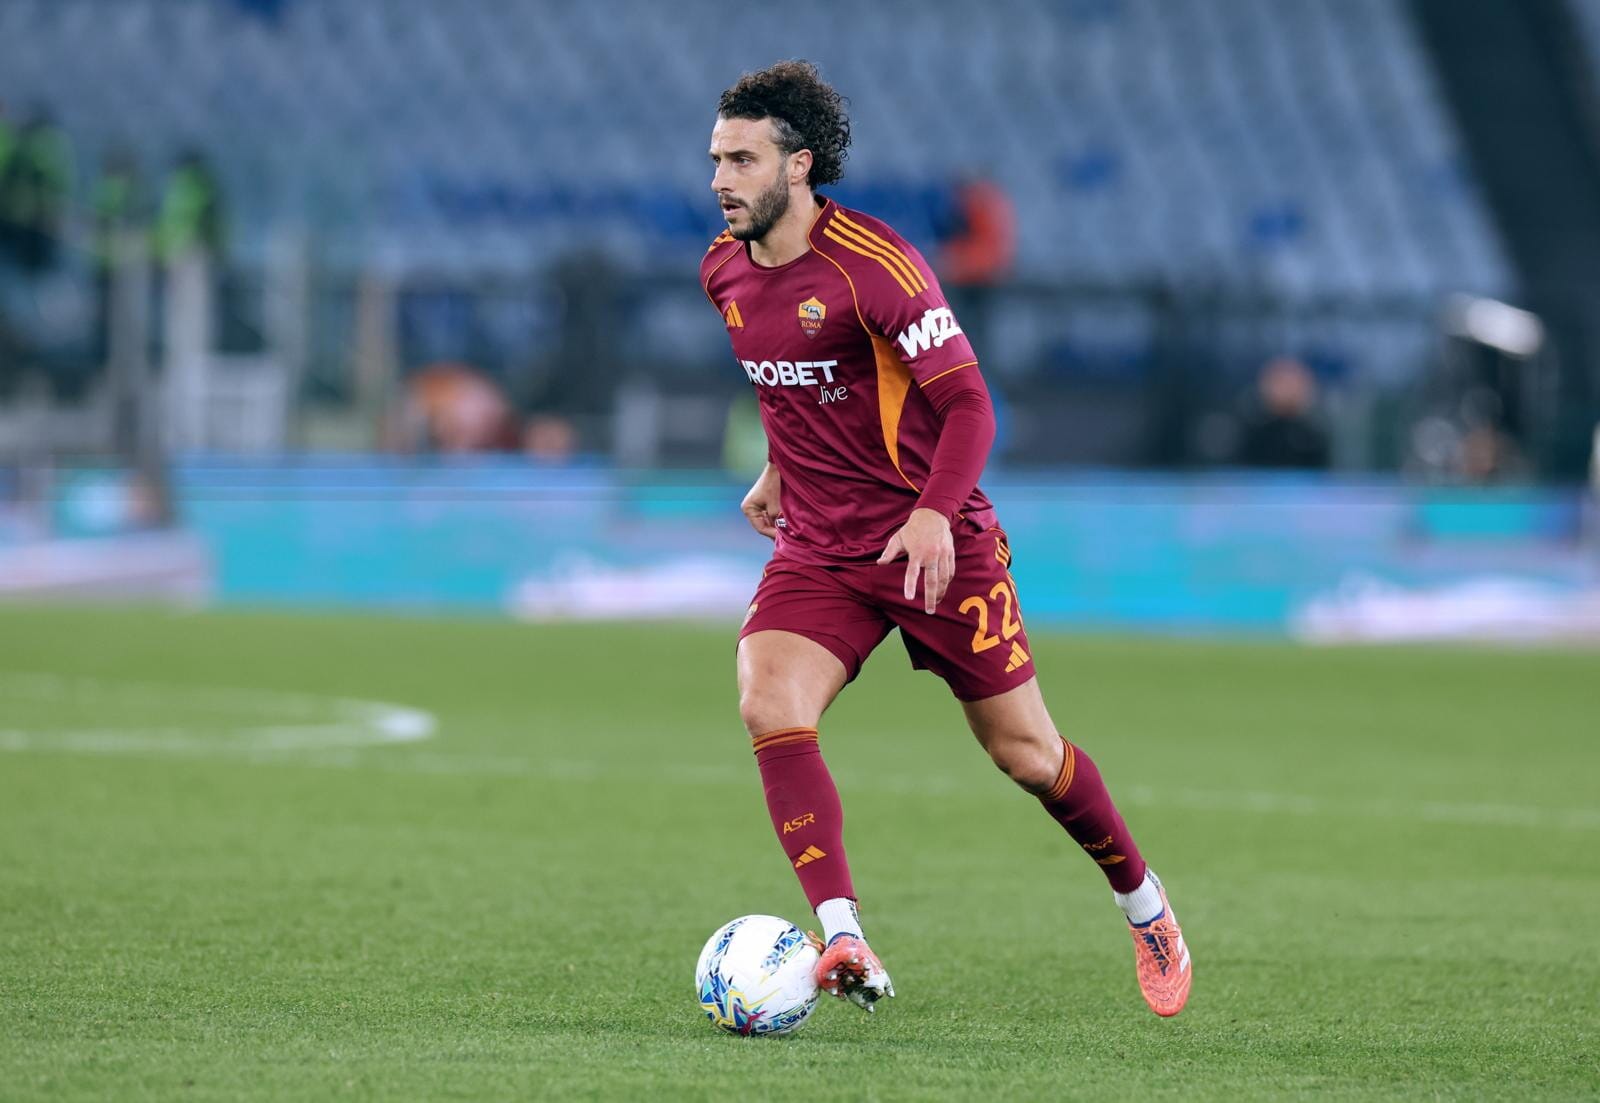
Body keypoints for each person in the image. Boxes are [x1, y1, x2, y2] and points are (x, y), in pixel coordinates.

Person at [700, 61, 1191, 1017]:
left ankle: (1145, 904)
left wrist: (931, 512)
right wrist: (777, 466)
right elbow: (791, 382)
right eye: (717, 158)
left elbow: (969, 405)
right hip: (822, 547)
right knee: (768, 701)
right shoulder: (723, 267)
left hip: (936, 541)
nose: (721, 179)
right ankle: (843, 931)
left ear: (799, 165)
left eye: (742, 159)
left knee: (1026, 753)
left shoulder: (874, 267)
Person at [1236, 356, 1331, 470]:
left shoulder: (1314, 437)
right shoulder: (1252, 434)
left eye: (1293, 382)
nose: (1287, 389)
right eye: (1280, 382)